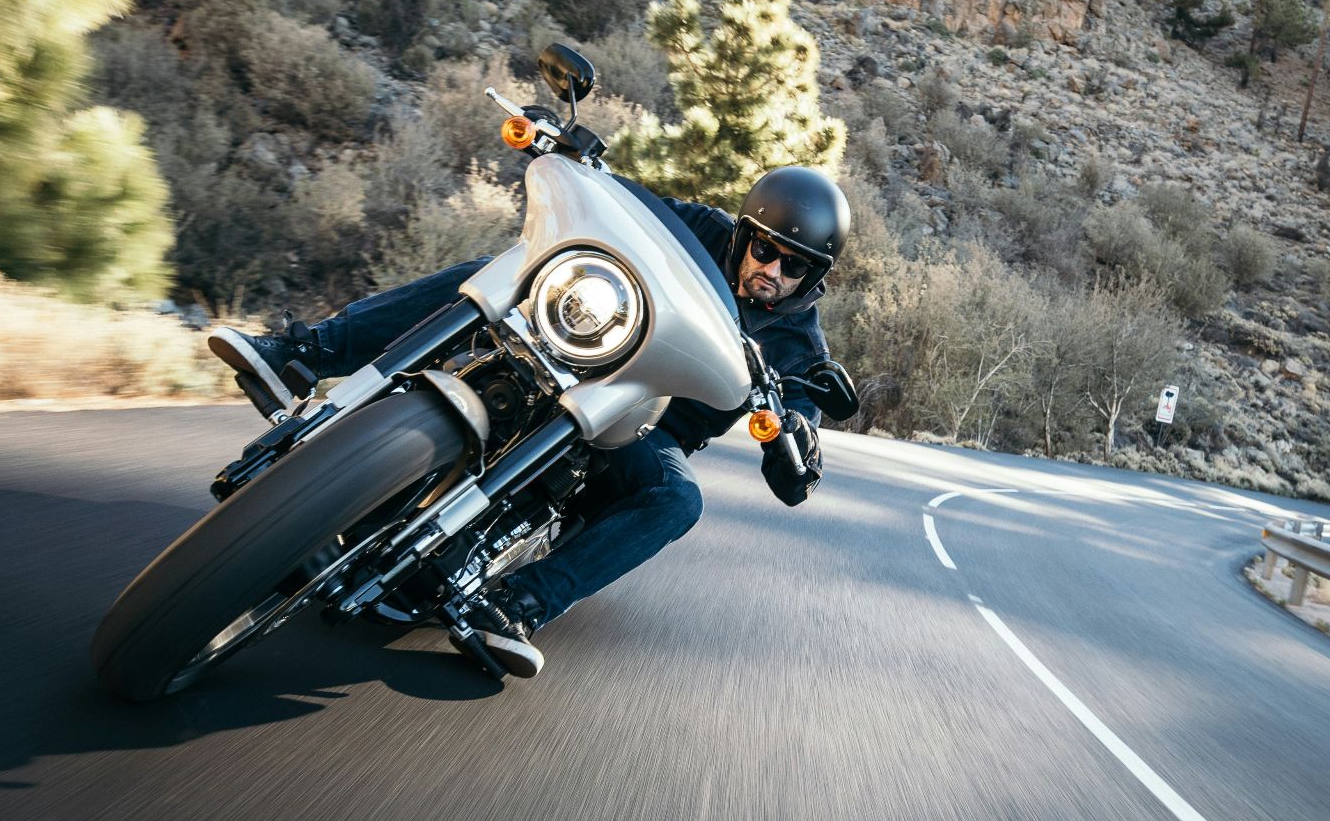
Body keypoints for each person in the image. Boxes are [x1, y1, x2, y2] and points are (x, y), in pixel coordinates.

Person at [206, 166, 850, 678]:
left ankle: (518, 606)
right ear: (745, 233)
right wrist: (576, 161)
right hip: (576, 352)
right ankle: (301, 353)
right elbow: (620, 205)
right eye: (766, 248)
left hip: (640, 432)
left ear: (813, 278)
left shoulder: (800, 346)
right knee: (498, 274)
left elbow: (799, 446)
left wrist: (797, 442)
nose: (772, 271)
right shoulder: (699, 228)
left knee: (677, 500)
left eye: (794, 266)